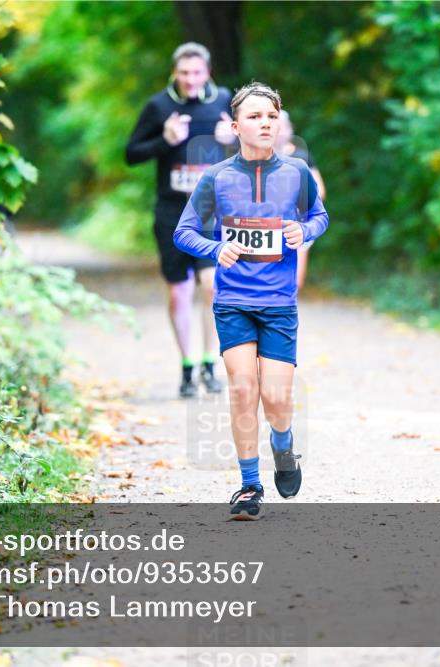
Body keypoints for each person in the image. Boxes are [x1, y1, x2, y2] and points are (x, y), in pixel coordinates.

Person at [173, 83, 329, 519]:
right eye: (255, 116)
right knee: (243, 388)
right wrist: (215, 248)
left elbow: (319, 216)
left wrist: (305, 230)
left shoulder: (296, 172)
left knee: (276, 399)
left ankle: (283, 443)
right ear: (235, 126)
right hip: (233, 301)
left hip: (278, 303)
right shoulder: (216, 177)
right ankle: (248, 485)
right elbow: (184, 231)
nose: (265, 124)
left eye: (271, 116)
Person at [126, 42, 237, 398]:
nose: (191, 80)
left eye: (197, 73)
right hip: (172, 211)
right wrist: (165, 139)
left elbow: (254, 147)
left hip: (211, 211)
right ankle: (187, 366)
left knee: (212, 285)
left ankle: (209, 363)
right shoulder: (159, 106)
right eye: (185, 73)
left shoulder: (223, 101)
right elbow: (131, 154)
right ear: (175, 72)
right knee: (178, 292)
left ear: (208, 72)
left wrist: (232, 139)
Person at [274, 110, 327, 290]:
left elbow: (320, 190)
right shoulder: (258, 157)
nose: (279, 131)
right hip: (267, 225)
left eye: (283, 127)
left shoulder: (302, 156)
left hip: (297, 224)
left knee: (295, 281)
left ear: (290, 129)